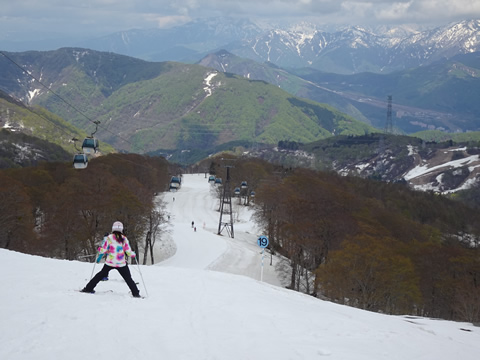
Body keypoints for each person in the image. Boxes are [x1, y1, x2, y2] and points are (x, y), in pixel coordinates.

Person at [81, 221, 140, 298]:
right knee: (128, 278)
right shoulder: (124, 239)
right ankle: (135, 293)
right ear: (122, 229)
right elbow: (128, 252)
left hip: (110, 262)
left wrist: (99, 249)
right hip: (121, 263)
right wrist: (133, 254)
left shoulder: (109, 237)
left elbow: (104, 250)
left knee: (100, 275)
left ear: (113, 228)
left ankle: (88, 288)